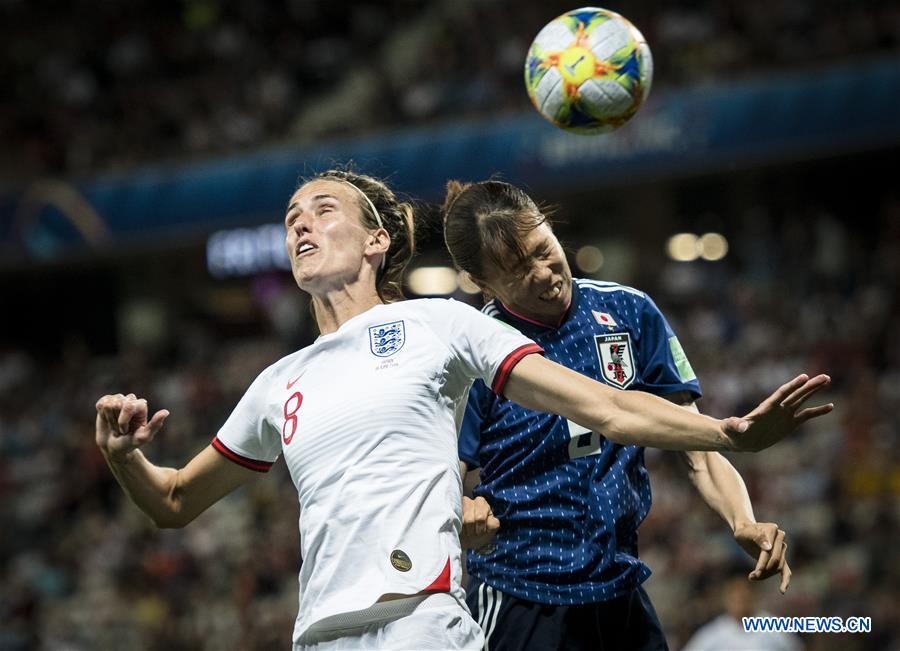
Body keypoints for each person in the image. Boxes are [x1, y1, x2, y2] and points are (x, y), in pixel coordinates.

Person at [94, 170, 831, 651]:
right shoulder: (276, 381)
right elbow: (175, 499)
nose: (300, 224)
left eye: (323, 209)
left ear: (378, 240)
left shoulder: (443, 326)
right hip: (325, 632)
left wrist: (729, 437)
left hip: (434, 619)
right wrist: (126, 458)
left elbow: (609, 407)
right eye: (290, 217)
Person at [442, 179, 816, 651]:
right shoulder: (472, 353)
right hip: (523, 598)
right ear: (479, 283)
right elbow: (443, 480)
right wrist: (461, 511)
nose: (542, 273)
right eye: (517, 269)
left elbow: (696, 448)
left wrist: (741, 518)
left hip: (620, 591)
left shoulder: (629, 311)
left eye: (543, 249)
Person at [682, 577, 803, 650]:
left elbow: (796, 648)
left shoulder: (774, 626)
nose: (740, 603)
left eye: (744, 597)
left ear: (754, 597)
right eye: (735, 598)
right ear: (726, 600)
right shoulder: (713, 633)